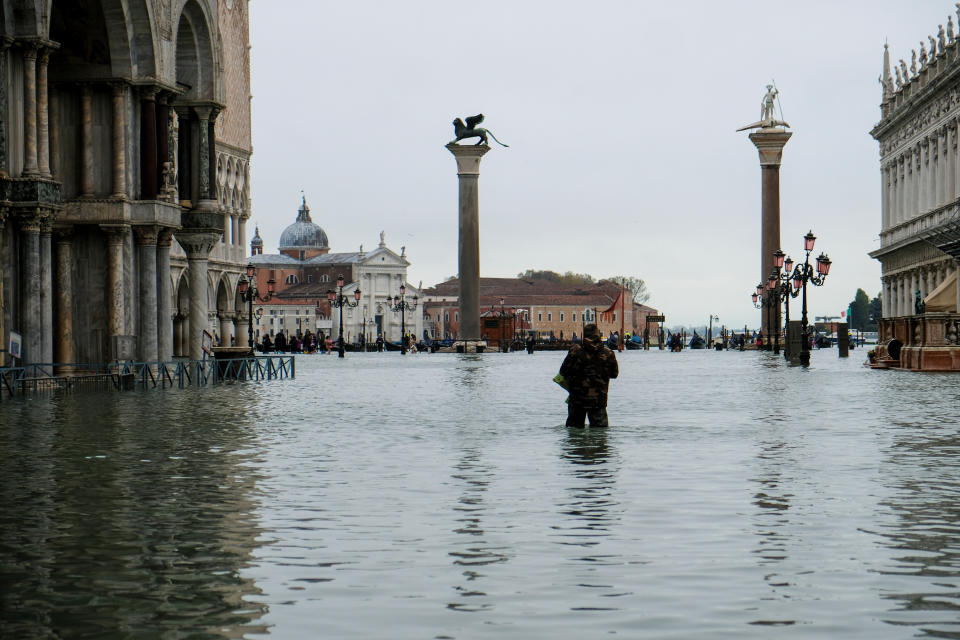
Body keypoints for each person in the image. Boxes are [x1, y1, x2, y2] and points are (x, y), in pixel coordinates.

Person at [559, 323, 619, 428]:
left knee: (574, 436)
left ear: (584, 335)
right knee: (600, 436)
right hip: (598, 401)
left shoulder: (574, 352)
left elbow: (563, 372)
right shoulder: (608, 353)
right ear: (598, 334)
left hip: (577, 400)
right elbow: (614, 374)